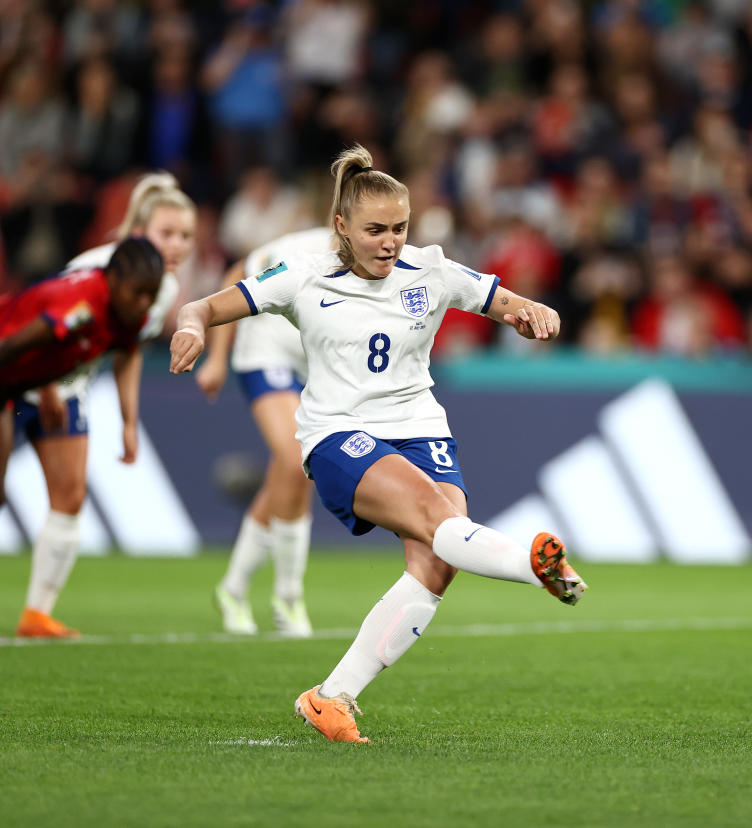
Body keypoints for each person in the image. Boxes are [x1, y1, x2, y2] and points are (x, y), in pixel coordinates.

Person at [170, 146, 586, 743]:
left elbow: (499, 299)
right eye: (375, 230)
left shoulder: (431, 269)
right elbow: (203, 305)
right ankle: (531, 564)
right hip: (338, 433)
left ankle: (331, 697)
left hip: (420, 427)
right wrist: (190, 327)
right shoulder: (301, 276)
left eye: (399, 228)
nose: (391, 242)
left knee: (438, 560)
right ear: (341, 226)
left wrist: (530, 312)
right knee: (435, 516)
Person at [10, 173, 195, 639]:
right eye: (166, 233)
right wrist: (45, 385)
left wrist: (130, 421)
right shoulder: (97, 269)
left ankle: (37, 614)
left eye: (186, 235)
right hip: (28, 374)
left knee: (69, 498)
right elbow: (46, 324)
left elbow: (129, 349)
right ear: (138, 233)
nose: (177, 245)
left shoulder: (162, 287)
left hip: (67, 386)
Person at [1, 240, 166, 636]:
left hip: (34, 383)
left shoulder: (131, 318)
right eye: (137, 293)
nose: (144, 303)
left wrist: (48, 387)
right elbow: (14, 344)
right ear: (113, 280)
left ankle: (37, 616)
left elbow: (119, 354)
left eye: (151, 295)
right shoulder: (81, 304)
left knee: (68, 495)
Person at [194, 227, 333, 637]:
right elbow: (239, 272)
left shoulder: (386, 263)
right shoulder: (302, 249)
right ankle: (288, 598)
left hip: (315, 371)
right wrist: (217, 357)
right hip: (265, 352)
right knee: (296, 460)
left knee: (287, 477)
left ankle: (233, 588)